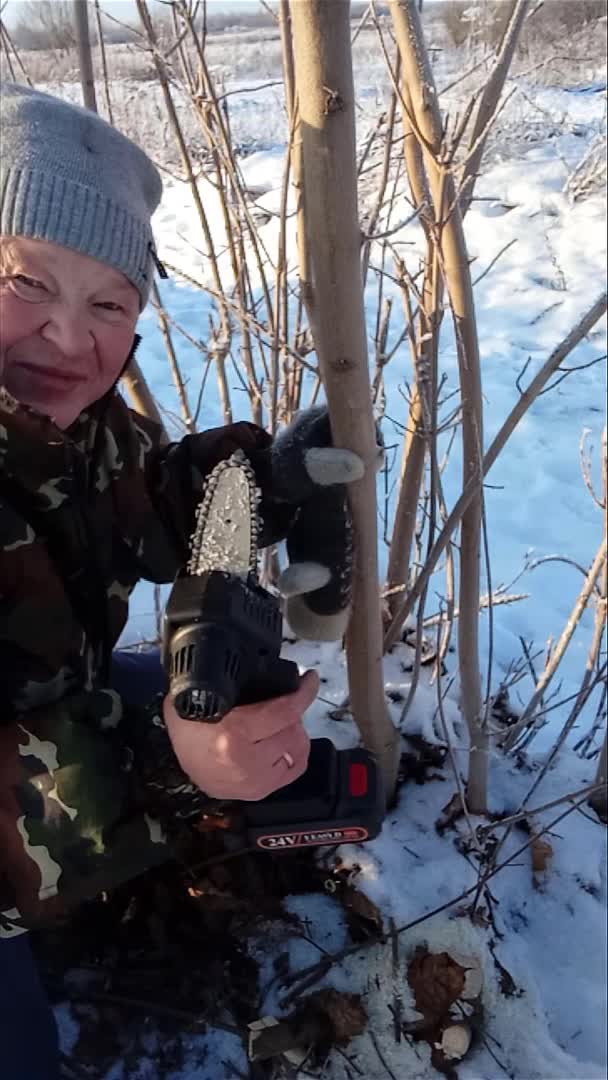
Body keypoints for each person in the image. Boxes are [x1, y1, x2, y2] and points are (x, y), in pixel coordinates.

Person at [0, 84, 365, 1080]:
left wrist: (256, 476)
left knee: (161, 705)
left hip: (38, 705)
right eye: (26, 283)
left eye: (108, 303)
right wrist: (172, 770)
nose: (69, 340)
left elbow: (137, 500)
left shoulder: (75, 424)